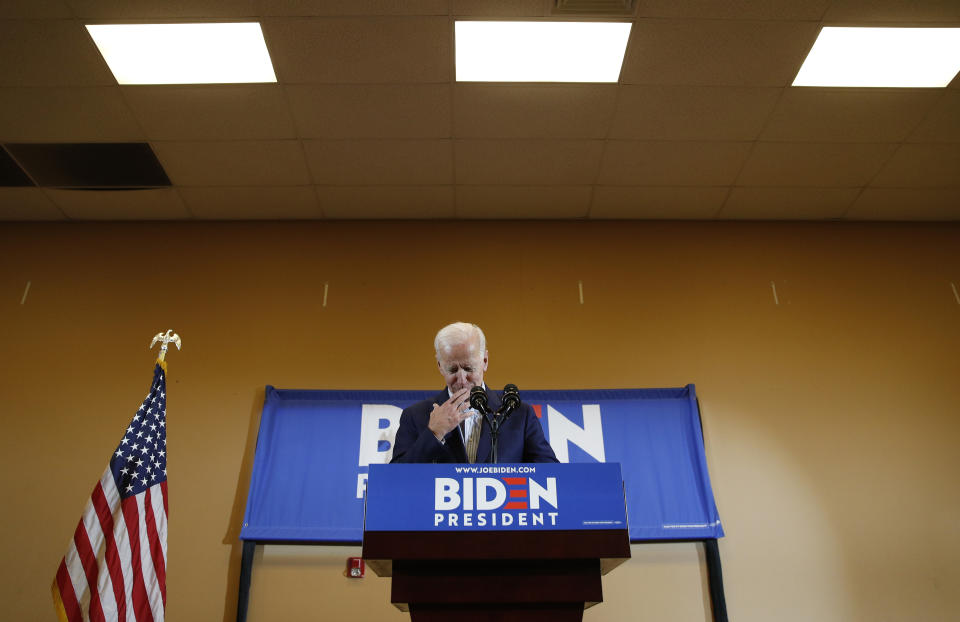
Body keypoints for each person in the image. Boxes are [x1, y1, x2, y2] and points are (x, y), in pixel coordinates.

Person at [390, 322, 558, 464]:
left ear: (484, 361)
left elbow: (552, 475)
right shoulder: (415, 416)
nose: (462, 379)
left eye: (469, 368)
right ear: (440, 366)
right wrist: (434, 433)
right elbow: (395, 481)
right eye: (452, 369)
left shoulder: (520, 415)